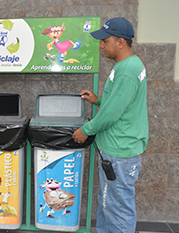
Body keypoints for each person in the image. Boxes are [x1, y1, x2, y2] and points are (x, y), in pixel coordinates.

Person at [72, 17, 148, 233]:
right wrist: (97, 100)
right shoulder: (126, 65)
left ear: (121, 42)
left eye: (105, 41)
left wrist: (85, 131)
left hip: (120, 155)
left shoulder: (127, 70)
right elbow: (121, 104)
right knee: (108, 205)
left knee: (118, 211)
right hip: (116, 153)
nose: (101, 45)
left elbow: (113, 114)